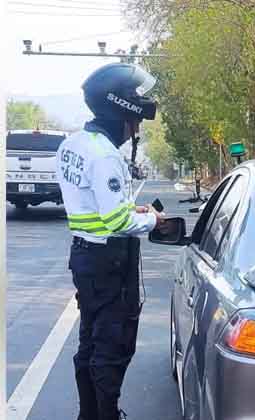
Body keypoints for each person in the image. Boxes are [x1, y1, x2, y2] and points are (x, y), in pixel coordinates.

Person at [55, 62, 163, 420]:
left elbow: (94, 203)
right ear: (121, 111)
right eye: (136, 119)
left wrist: (132, 208)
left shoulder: (73, 144)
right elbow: (116, 219)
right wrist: (151, 219)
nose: (135, 130)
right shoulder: (105, 156)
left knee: (89, 343)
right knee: (112, 348)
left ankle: (89, 414)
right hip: (110, 264)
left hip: (85, 258)